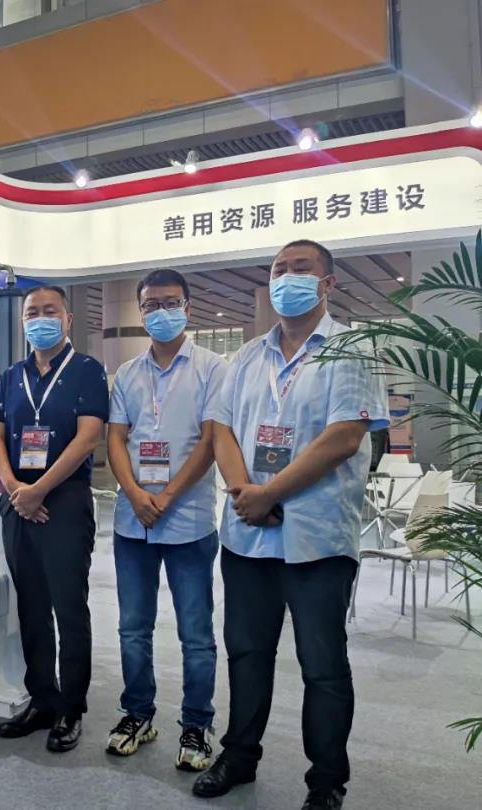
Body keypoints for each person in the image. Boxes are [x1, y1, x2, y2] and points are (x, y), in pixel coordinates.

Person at [194, 240, 389, 810]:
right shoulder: (246, 358)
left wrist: (270, 494)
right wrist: (245, 494)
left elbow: (344, 437)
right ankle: (239, 756)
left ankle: (325, 781)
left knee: (323, 666)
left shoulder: (351, 349)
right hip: (249, 536)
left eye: (301, 269)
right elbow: (221, 430)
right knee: (246, 653)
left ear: (328, 283)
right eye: (279, 269)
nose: (287, 277)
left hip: (317, 538)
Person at [106, 269, 226, 770]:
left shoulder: (212, 368)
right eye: (151, 304)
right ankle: (138, 714)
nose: (161, 312)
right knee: (133, 629)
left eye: (170, 302)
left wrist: (169, 495)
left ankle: (197, 724)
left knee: (195, 634)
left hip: (189, 522)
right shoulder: (127, 374)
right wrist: (135, 494)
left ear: (188, 308)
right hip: (132, 523)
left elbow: (212, 439)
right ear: (140, 311)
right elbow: (116, 439)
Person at [0, 285, 109, 752]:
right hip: (18, 501)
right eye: (32, 313)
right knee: (32, 606)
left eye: (49, 310)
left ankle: (71, 708)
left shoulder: (87, 371)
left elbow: (88, 437)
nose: (40, 319)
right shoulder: (12, 375)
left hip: (65, 501)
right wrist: (17, 490)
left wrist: (40, 489)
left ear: (68, 318)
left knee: (69, 608)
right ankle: (42, 699)